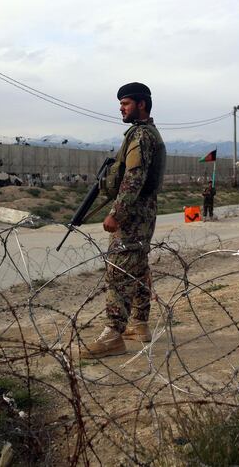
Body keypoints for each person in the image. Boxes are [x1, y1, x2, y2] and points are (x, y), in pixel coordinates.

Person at [79, 82, 166, 359]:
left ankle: (113, 336)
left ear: (141, 104)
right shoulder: (148, 133)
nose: (121, 108)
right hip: (144, 213)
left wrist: (116, 213)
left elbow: (134, 177)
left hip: (132, 215)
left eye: (126, 103)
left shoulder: (140, 135)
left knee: (118, 272)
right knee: (137, 268)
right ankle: (138, 324)